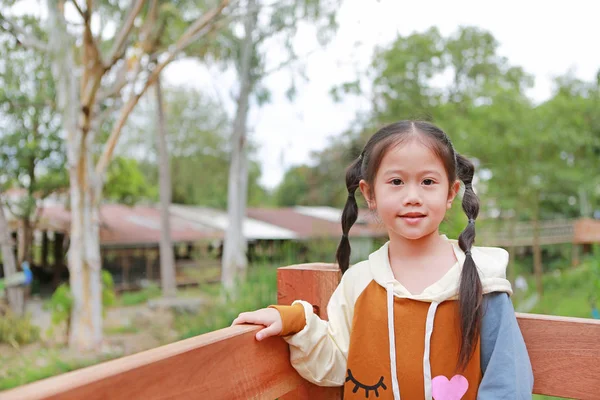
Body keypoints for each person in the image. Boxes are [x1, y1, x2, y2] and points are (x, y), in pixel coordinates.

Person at [232, 121, 534, 399]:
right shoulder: (359, 282)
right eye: (396, 182)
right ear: (369, 193)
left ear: (451, 192)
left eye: (428, 182)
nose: (412, 196)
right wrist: (295, 323)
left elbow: (508, 379)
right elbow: (336, 364)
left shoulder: (482, 277)